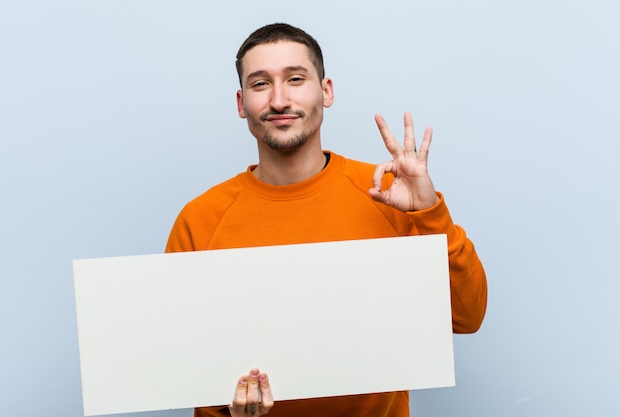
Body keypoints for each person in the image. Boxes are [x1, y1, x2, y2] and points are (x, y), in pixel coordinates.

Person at [166, 22, 487, 417]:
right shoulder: (200, 219)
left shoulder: (387, 193)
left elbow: (466, 316)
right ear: (240, 102)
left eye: (296, 79)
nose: (279, 100)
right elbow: (187, 366)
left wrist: (428, 210)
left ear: (326, 90)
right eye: (260, 84)